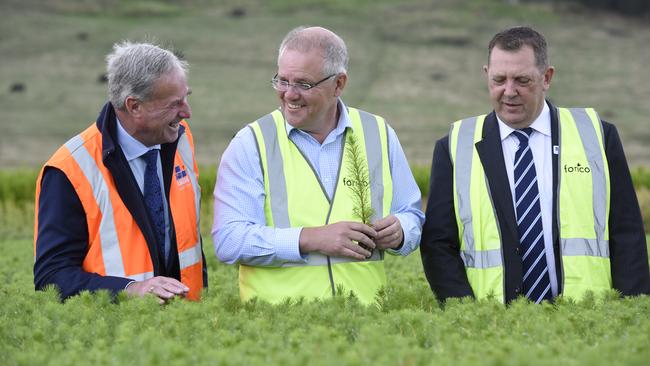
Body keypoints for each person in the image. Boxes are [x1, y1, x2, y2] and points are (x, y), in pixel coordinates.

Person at [421, 26, 650, 304]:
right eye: (498, 79)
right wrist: (467, 315)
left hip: (588, 321)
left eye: (522, 80)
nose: (509, 91)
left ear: (547, 77)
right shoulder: (454, 146)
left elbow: (627, 234)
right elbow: (437, 245)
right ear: (486, 75)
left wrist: (631, 311)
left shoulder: (597, 136)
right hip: (491, 327)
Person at [212, 26, 424, 305]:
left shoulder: (378, 133)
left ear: (339, 84)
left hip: (365, 325)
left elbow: (411, 214)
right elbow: (229, 240)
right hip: (275, 329)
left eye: (303, 84)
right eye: (282, 81)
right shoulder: (251, 143)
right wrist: (310, 239)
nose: (289, 94)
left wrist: (400, 231)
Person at [34, 41, 207, 303]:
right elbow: (52, 277)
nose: (187, 112)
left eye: (186, 98)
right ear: (134, 106)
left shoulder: (181, 139)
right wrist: (130, 290)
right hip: (113, 334)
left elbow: (189, 244)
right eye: (174, 104)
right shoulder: (69, 170)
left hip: (184, 329)